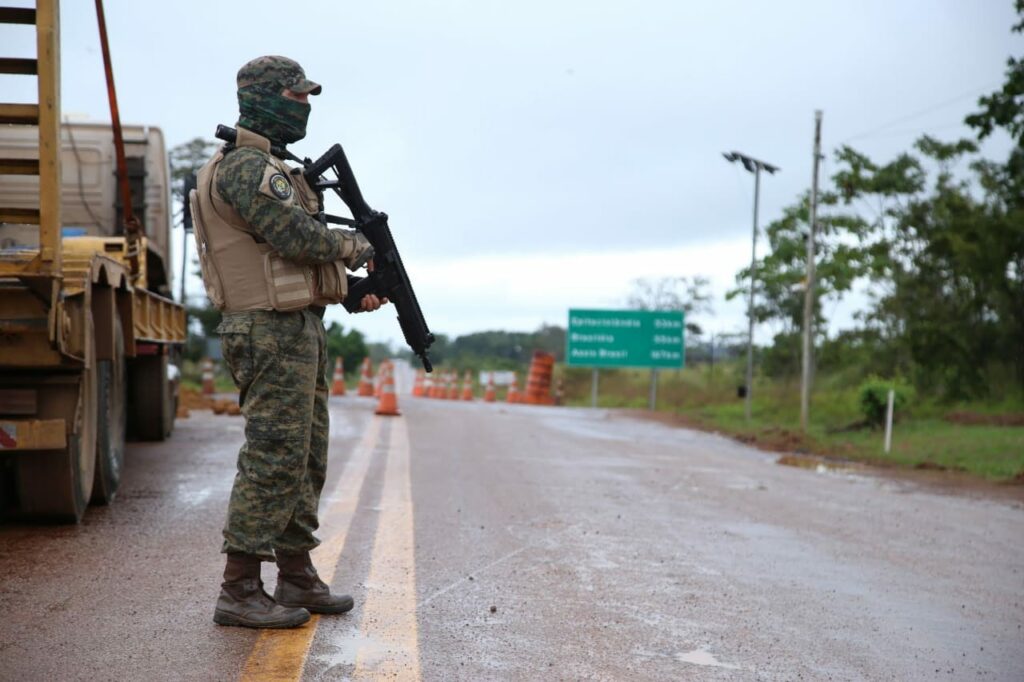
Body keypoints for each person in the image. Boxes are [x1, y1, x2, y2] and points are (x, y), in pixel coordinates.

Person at [190, 55, 385, 629]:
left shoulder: (273, 166)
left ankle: (296, 573)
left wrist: (348, 291)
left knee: (305, 456)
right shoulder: (248, 167)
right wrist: (357, 246)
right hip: (266, 330)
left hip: (294, 325)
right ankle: (239, 587)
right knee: (274, 457)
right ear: (266, 98)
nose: (305, 106)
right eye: (298, 96)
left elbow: (283, 262)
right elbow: (294, 236)